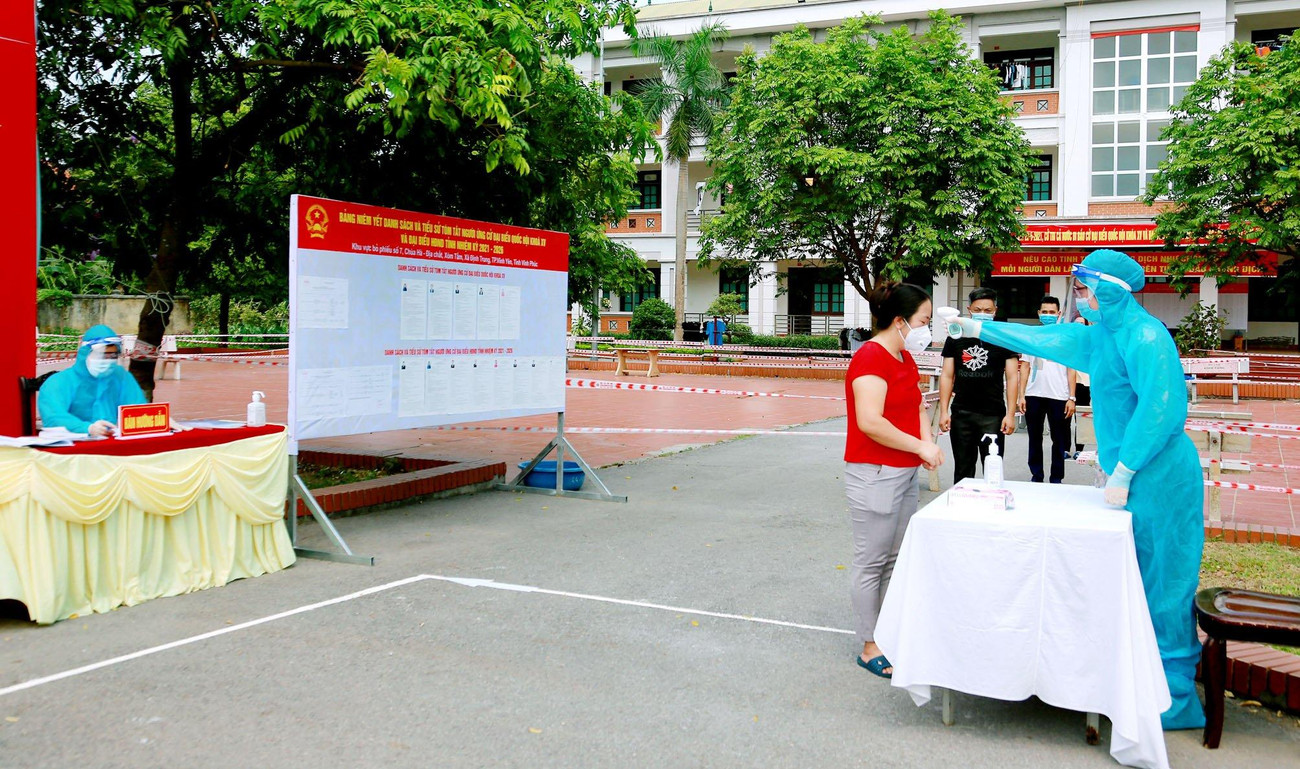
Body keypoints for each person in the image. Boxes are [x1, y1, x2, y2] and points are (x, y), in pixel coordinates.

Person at [950, 249, 1205, 730]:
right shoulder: (1101, 337)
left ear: (1112, 290)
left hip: (1161, 476)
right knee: (1134, 577)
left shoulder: (1147, 336)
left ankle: (1174, 695)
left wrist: (1125, 470)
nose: (1080, 298)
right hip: (1130, 474)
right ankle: (1138, 678)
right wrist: (976, 327)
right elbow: (1043, 338)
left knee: (1165, 583)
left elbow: (1163, 408)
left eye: (1087, 289)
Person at [844, 282, 944, 679]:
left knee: (893, 559)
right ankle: (870, 645)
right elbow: (870, 422)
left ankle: (886, 632)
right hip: (875, 472)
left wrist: (927, 443)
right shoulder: (871, 358)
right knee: (872, 561)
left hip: (904, 473)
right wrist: (920, 447)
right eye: (923, 320)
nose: (927, 328)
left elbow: (917, 407)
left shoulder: (904, 357)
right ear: (900, 321)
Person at [938, 288, 1019, 484]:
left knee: (993, 469)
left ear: (995, 310)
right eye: (978, 309)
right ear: (969, 310)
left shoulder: (1004, 338)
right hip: (962, 413)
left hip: (993, 415)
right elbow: (947, 375)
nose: (983, 313)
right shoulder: (956, 336)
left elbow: (1012, 377)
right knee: (963, 470)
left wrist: (1010, 414)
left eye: (987, 310)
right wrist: (944, 411)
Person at [39, 325, 147, 437]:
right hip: (74, 444)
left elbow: (138, 409)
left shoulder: (121, 377)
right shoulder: (58, 383)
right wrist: (87, 428)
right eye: (101, 354)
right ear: (85, 353)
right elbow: (53, 418)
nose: (107, 360)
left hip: (113, 441)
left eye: (113, 355)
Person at [1017, 296, 1076, 483]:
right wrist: (1021, 395)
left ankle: (1056, 477)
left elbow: (1071, 369)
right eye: (1045, 312)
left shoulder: (1065, 338)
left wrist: (1072, 397)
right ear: (1039, 313)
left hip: (1059, 396)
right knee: (1034, 438)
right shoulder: (1032, 337)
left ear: (1059, 314)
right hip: (1034, 394)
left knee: (1059, 439)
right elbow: (1025, 367)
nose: (1048, 315)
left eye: (1052, 312)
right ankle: (1037, 475)